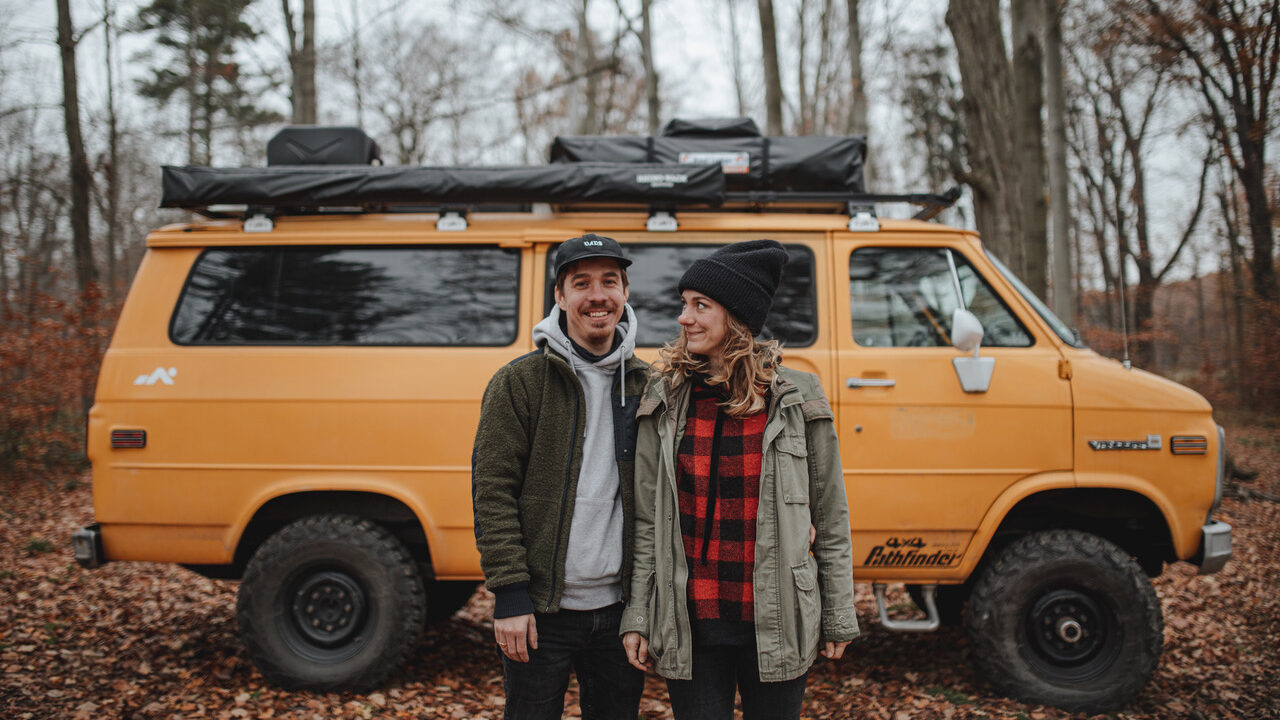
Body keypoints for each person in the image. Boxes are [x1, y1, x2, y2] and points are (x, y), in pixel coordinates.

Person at [620, 239, 858, 720]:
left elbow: (830, 518)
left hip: (777, 617)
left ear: (737, 319)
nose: (684, 318)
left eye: (700, 306)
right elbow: (647, 522)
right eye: (685, 305)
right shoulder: (664, 403)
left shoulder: (798, 400)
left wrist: (837, 614)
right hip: (691, 621)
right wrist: (639, 615)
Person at [472, 233, 647, 720]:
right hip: (541, 611)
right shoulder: (519, 382)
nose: (597, 295)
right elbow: (493, 493)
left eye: (609, 281)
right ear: (560, 295)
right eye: (581, 282)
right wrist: (510, 594)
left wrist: (647, 603)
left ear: (625, 292)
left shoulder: (647, 385)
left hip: (620, 611)